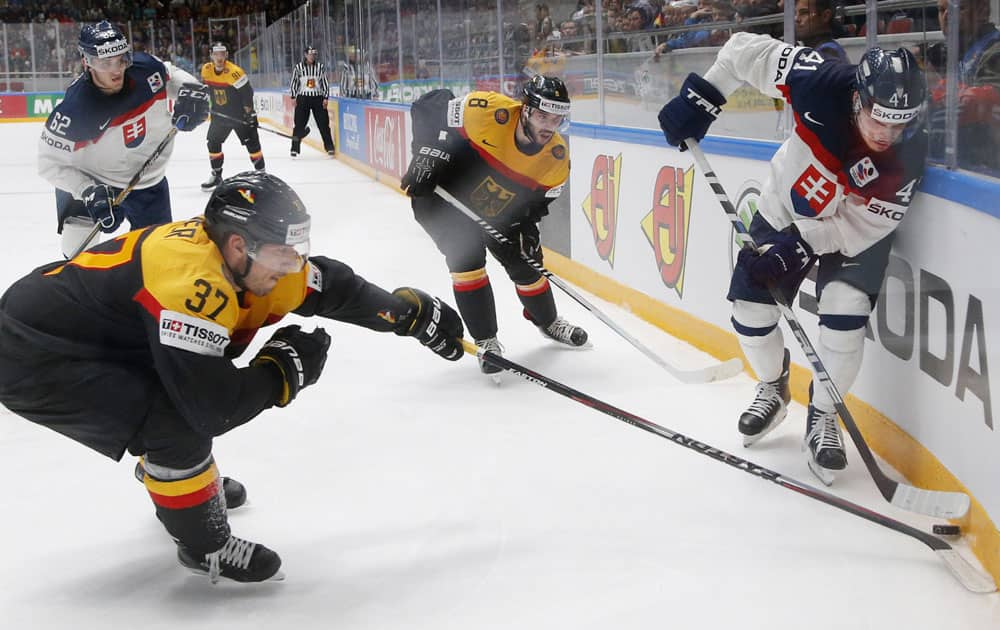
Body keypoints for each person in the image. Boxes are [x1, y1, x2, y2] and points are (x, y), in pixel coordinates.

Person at [0, 171, 465, 583]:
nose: (295, 266)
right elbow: (211, 410)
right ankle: (205, 547)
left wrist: (405, 314)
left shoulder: (251, 257)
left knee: (175, 407)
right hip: (34, 354)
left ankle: (177, 481)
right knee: (173, 426)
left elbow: (332, 288)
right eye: (286, 253)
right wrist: (282, 371)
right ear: (239, 245)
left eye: (297, 250)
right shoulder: (191, 288)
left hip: (105, 332)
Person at [658, 33, 928, 485]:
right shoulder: (821, 81)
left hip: (850, 233)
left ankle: (823, 415)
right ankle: (773, 387)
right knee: (749, 310)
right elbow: (742, 50)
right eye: (878, 119)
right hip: (785, 207)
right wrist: (700, 99)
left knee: (847, 314)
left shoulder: (909, 152)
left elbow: (866, 226)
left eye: (898, 125)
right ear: (857, 96)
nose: (886, 134)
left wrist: (803, 244)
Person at [400, 75, 588, 381]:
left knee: (527, 264)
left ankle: (548, 321)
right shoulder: (487, 110)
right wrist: (427, 153)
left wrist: (524, 229)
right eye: (542, 115)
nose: (548, 126)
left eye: (556, 119)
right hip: (443, 197)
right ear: (525, 109)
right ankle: (487, 341)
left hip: (494, 205)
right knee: (468, 259)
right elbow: (429, 105)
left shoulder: (555, 157)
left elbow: (537, 204)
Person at [38, 20, 209, 259]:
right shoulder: (74, 111)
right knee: (77, 257)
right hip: (93, 181)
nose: (116, 69)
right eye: (104, 63)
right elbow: (48, 164)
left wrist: (192, 92)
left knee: (156, 257)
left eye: (121, 59)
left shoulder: (146, 69)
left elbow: (170, 74)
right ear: (87, 62)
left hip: (148, 181)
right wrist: (87, 191)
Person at [925, 0, 1000, 173]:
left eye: (957, 8)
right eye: (941, 10)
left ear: (982, 11)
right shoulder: (957, 51)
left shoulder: (995, 51)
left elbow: (982, 105)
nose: (946, 16)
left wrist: (936, 90)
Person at [199, 43, 264, 190]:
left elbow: (247, 93)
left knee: (253, 145)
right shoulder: (206, 70)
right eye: (216, 54)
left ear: (226, 55)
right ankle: (216, 175)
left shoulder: (235, 72)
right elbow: (207, 90)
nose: (219, 57)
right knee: (213, 144)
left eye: (222, 53)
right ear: (211, 55)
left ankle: (262, 175)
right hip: (219, 116)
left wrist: (249, 114)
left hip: (239, 116)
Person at [289, 45, 335, 157]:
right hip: (303, 98)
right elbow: (294, 82)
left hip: (317, 98)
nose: (312, 56)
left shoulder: (320, 67)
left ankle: (329, 146)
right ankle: (294, 148)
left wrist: (325, 97)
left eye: (313, 54)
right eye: (310, 54)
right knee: (299, 124)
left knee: (323, 124)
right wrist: (293, 96)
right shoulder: (299, 67)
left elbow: (325, 83)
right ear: (305, 55)